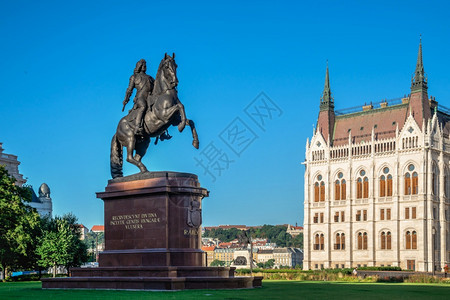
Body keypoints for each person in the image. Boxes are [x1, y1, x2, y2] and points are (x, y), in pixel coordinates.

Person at [122, 59, 155, 135]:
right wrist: (126, 100)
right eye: (143, 65)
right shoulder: (134, 77)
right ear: (139, 66)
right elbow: (129, 90)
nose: (144, 67)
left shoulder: (150, 78)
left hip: (150, 97)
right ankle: (137, 126)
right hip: (140, 98)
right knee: (143, 106)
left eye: (145, 65)